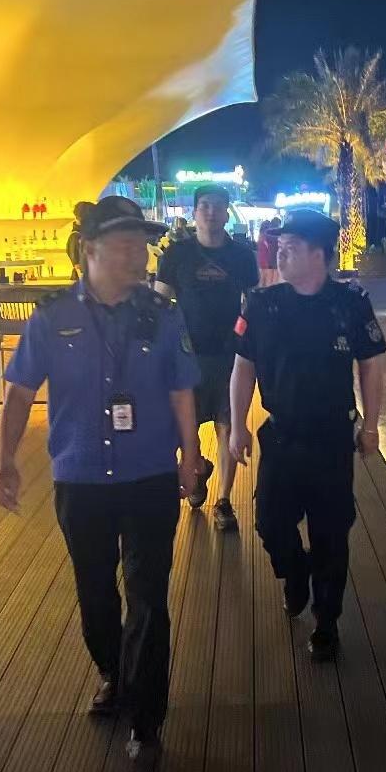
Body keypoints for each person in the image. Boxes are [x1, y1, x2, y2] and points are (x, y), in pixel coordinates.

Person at [0, 195, 202, 762]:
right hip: (80, 474)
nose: (139, 256)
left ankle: (146, 719)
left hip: (149, 472)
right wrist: (4, 458)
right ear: (90, 250)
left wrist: (190, 455)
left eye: (143, 245)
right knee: (95, 591)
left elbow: (182, 389)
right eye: (126, 245)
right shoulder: (52, 317)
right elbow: (20, 391)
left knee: (149, 595)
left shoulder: (163, 315)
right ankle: (113, 670)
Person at [229, 210, 386, 663]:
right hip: (282, 435)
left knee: (331, 533)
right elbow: (243, 367)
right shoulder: (261, 304)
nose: (280, 255)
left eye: (291, 247)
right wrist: (238, 424)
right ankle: (295, 572)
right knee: (269, 524)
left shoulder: (350, 302)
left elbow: (371, 366)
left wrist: (371, 425)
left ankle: (326, 622)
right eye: (279, 247)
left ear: (319, 254)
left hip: (332, 437)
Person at [155, 184, 260, 531]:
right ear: (194, 211)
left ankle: (224, 501)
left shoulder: (242, 256)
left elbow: (254, 303)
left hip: (230, 358)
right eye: (205, 206)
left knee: (228, 426)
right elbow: (158, 304)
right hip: (185, 358)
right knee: (184, 427)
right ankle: (198, 467)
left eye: (217, 206)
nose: (211, 212)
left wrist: (252, 343)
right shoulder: (176, 255)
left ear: (227, 213)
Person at [256, 218, 280, 287]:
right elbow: (263, 258)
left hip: (269, 268)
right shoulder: (263, 240)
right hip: (266, 269)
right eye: (267, 228)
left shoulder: (266, 240)